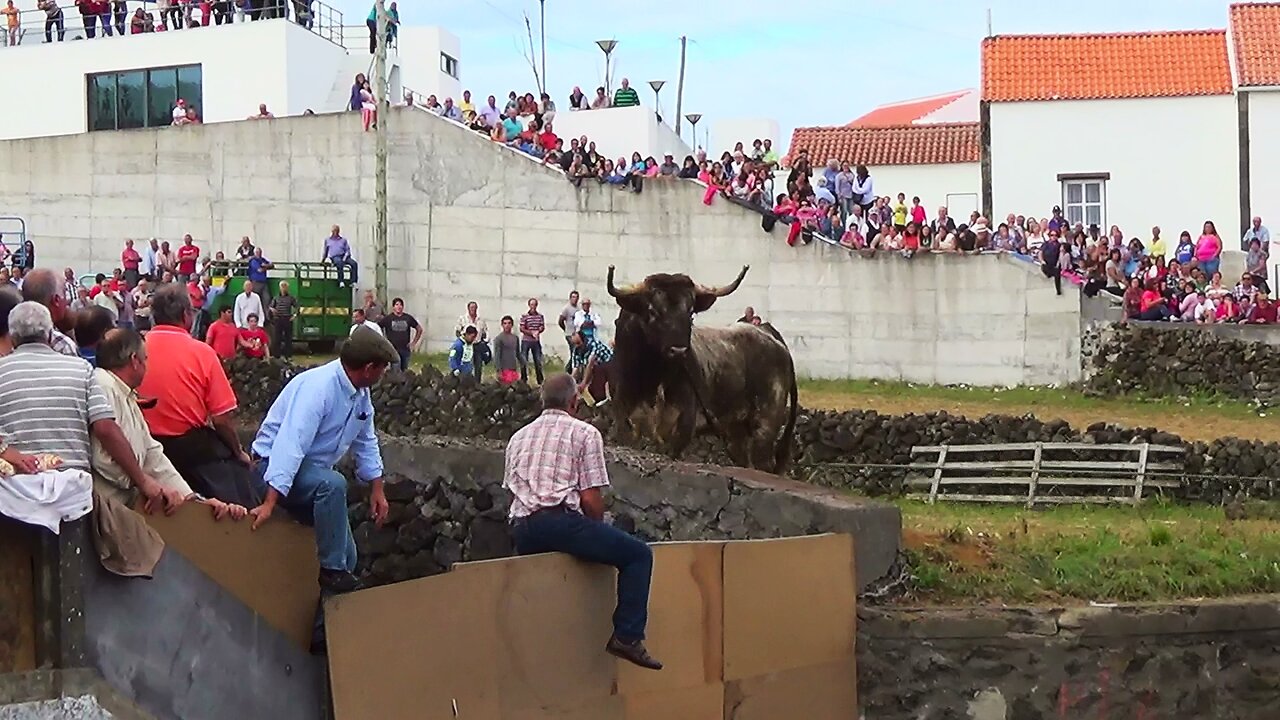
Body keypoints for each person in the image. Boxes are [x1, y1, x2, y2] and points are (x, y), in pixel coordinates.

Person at [504, 374, 661, 670]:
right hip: (559, 523)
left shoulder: (518, 437)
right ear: (574, 402)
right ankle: (627, 636)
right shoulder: (584, 433)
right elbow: (590, 499)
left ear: (543, 401)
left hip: (522, 528)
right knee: (638, 555)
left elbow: (511, 492)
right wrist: (597, 529)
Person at [248, 328, 395, 600]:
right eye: (382, 368)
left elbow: (366, 441)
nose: (384, 374)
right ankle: (330, 571)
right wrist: (270, 503)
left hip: (310, 474)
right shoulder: (319, 389)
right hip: (270, 467)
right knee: (333, 484)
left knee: (347, 557)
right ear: (368, 368)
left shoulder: (360, 395)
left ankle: (323, 626)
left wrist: (377, 487)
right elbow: (291, 445)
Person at [0, 302, 183, 514]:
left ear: (12, 339)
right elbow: (105, 428)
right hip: (72, 496)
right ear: (50, 335)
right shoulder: (81, 369)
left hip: (13, 495)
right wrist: (142, 481)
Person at [92, 330, 245, 520]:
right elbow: (104, 458)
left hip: (124, 507)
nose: (147, 366)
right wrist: (144, 483)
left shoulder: (124, 393)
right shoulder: (104, 386)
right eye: (145, 359)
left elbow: (151, 452)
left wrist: (191, 498)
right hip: (106, 509)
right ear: (134, 360)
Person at [137, 285, 260, 508]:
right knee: (241, 493)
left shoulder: (137, 349)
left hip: (141, 446)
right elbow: (221, 419)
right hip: (188, 449)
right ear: (186, 315)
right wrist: (238, 452)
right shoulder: (202, 352)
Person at [21, 268, 78, 356]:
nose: (66, 301)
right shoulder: (63, 346)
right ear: (56, 300)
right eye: (64, 292)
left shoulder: (10, 338)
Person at [568, 331, 613, 404]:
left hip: (608, 365)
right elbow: (575, 368)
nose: (577, 346)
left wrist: (583, 384)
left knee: (594, 381)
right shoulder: (576, 350)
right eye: (575, 344)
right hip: (596, 368)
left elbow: (590, 365)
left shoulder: (593, 345)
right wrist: (570, 385)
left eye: (578, 343)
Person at [377, 297, 421, 371]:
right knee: (396, 369)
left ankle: (403, 382)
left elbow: (419, 329)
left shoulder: (408, 318)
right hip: (393, 349)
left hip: (405, 349)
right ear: (393, 307)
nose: (399, 307)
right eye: (397, 304)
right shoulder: (388, 318)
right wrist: (383, 341)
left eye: (401, 305)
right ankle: (396, 382)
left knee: (405, 370)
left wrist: (413, 343)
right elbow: (377, 327)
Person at [268, 281, 299, 358]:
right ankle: (276, 355)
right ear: (280, 287)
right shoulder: (276, 297)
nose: (283, 288)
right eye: (282, 286)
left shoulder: (291, 298)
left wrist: (294, 315)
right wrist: (273, 310)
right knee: (277, 338)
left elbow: (297, 307)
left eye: (285, 286)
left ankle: (288, 355)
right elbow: (271, 306)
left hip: (287, 319)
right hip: (278, 319)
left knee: (288, 338)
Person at [518, 298, 545, 385]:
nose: (533, 306)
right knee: (524, 360)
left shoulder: (540, 316)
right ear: (529, 305)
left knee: (538, 361)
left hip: (536, 341)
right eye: (532, 304)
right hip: (526, 340)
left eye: (535, 304)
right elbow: (522, 328)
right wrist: (531, 333)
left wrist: (539, 331)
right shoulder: (524, 316)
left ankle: (540, 380)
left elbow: (542, 326)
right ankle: (524, 379)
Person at [493, 316, 520, 385]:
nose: (507, 325)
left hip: (513, 368)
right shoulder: (499, 338)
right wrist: (498, 370)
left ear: (512, 325)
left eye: (509, 323)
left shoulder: (515, 338)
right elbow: (497, 355)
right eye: (505, 323)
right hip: (504, 369)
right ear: (502, 325)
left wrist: (524, 364)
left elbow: (518, 353)